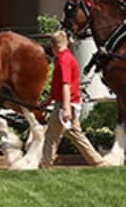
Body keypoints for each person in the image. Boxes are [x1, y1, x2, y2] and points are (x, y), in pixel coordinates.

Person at [41, 31, 103, 167]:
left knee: (51, 137)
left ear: (53, 46)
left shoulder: (63, 61)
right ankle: (97, 161)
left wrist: (66, 108)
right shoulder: (68, 58)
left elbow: (65, 85)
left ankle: (45, 165)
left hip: (65, 105)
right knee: (75, 135)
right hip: (68, 103)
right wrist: (49, 100)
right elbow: (61, 85)